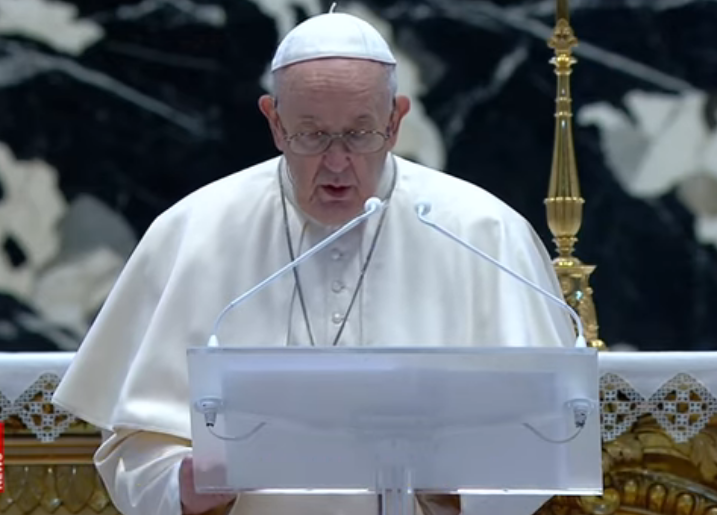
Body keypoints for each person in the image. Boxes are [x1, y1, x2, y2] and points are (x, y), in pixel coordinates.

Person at [52, 7, 577, 515]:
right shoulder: (193, 231)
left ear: (396, 121)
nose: (336, 161)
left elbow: (543, 433)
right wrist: (181, 486)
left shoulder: (482, 231)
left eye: (359, 132)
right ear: (274, 122)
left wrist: (461, 485)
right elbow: (132, 445)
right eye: (311, 134)